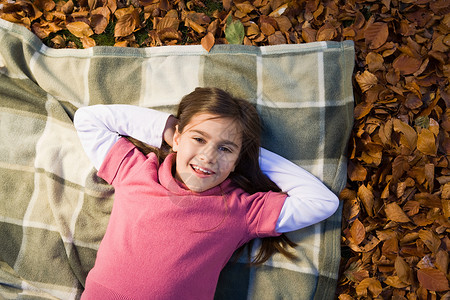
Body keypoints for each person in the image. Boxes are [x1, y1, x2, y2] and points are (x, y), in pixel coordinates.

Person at [74, 87, 339, 300]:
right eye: (198, 139)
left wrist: (251, 157)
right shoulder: (136, 172)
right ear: (177, 139)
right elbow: (88, 120)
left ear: (237, 160)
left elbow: (322, 202)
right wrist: (167, 129)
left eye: (225, 149)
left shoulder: (241, 210)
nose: (208, 157)